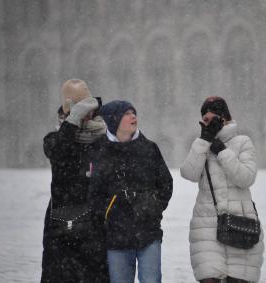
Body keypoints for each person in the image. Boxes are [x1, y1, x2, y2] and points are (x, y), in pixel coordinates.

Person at [180, 96, 264, 283]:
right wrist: (204, 140)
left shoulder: (243, 142)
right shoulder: (201, 144)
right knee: (209, 277)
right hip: (206, 226)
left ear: (223, 118)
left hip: (240, 223)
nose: (208, 124)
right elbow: (189, 173)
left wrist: (222, 152)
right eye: (205, 120)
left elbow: (246, 178)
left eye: (212, 119)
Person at [89, 100, 173, 283]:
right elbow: (94, 193)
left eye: (133, 112)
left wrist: (153, 208)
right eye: (126, 113)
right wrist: (108, 214)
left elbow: (166, 183)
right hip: (115, 238)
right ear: (114, 120)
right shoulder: (99, 150)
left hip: (148, 233)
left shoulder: (149, 148)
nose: (133, 116)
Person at [41, 79, 109, 282]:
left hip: (98, 229)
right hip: (64, 230)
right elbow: (59, 152)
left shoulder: (105, 140)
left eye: (90, 108)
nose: (89, 114)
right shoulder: (54, 139)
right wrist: (73, 121)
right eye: (82, 109)